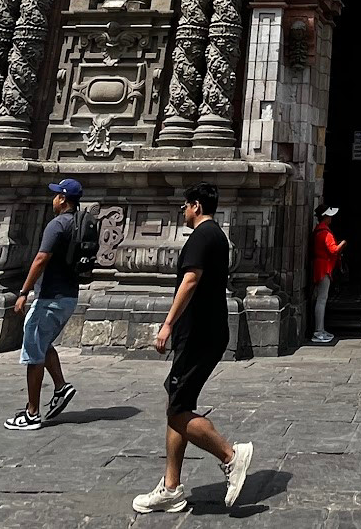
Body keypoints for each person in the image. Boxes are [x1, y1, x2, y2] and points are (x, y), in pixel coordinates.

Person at [133, 184, 253, 514]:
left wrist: (168, 324)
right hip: (206, 331)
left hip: (199, 333)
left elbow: (190, 280)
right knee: (177, 403)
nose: (182, 212)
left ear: (196, 206)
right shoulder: (218, 236)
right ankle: (171, 488)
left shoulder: (202, 237)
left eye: (185, 206)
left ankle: (230, 456)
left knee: (179, 409)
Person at [5, 179, 87, 430]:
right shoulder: (78, 223)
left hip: (50, 296)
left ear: (62, 199)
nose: (52, 199)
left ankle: (31, 414)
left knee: (33, 353)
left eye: (55, 195)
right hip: (69, 295)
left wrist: (23, 291)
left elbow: (41, 258)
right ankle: (61, 387)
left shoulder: (57, 224)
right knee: (42, 342)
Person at [309, 204, 345, 345]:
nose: (331, 218)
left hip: (319, 265)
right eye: (329, 215)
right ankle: (318, 331)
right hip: (324, 266)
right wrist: (343, 243)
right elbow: (334, 250)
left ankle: (320, 329)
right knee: (322, 299)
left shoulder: (318, 231)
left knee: (320, 298)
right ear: (325, 217)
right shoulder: (325, 232)